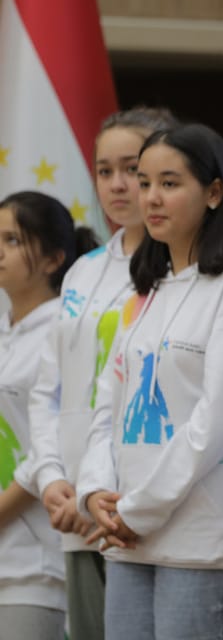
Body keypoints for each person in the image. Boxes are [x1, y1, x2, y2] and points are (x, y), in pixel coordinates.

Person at [77, 123, 223, 640]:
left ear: (214, 192)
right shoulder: (149, 289)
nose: (150, 198)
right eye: (145, 183)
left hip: (198, 543)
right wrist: (96, 488)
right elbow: (109, 405)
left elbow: (218, 423)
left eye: (169, 182)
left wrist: (136, 509)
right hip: (128, 539)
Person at [20, 107, 176, 640]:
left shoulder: (189, 272)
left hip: (143, 510)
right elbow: (48, 391)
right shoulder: (83, 272)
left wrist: (110, 494)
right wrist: (54, 481)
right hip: (76, 510)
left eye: (131, 169)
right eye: (103, 170)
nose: (117, 185)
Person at [0, 191, 98, 638]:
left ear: (55, 258)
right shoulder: (9, 334)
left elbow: (53, 435)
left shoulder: (62, 328)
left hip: (34, 563)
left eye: (13, 240)